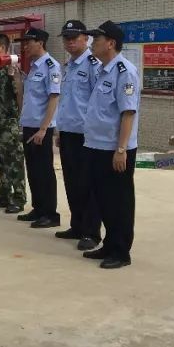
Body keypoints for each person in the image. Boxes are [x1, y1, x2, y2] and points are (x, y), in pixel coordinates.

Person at [80, 21, 140, 270]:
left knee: (119, 201)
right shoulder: (104, 69)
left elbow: (128, 113)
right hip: (96, 146)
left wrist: (121, 149)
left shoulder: (125, 71)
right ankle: (109, 243)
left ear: (111, 43)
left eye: (97, 39)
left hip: (115, 149)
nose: (93, 43)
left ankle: (121, 251)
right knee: (103, 199)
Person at [53, 21, 101, 249]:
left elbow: (96, 101)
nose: (70, 42)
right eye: (66, 38)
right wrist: (59, 130)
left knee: (88, 184)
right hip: (68, 133)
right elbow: (66, 102)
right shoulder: (69, 66)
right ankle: (77, 225)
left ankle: (91, 233)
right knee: (72, 183)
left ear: (86, 39)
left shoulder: (94, 65)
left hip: (86, 135)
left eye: (74, 37)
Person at [15, 28, 61, 228]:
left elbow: (54, 97)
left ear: (40, 42)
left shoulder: (51, 66)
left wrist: (44, 129)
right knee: (33, 169)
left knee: (44, 171)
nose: (25, 47)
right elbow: (24, 97)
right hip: (28, 124)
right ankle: (38, 208)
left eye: (28, 42)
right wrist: (16, 79)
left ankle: (50, 213)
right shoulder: (34, 67)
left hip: (41, 128)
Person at [0, 33, 27, 214]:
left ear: (2, 47)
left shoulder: (12, 69)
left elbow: (19, 94)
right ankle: (4, 195)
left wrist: (14, 76)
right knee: (0, 161)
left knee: (14, 162)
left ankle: (18, 197)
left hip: (8, 124)